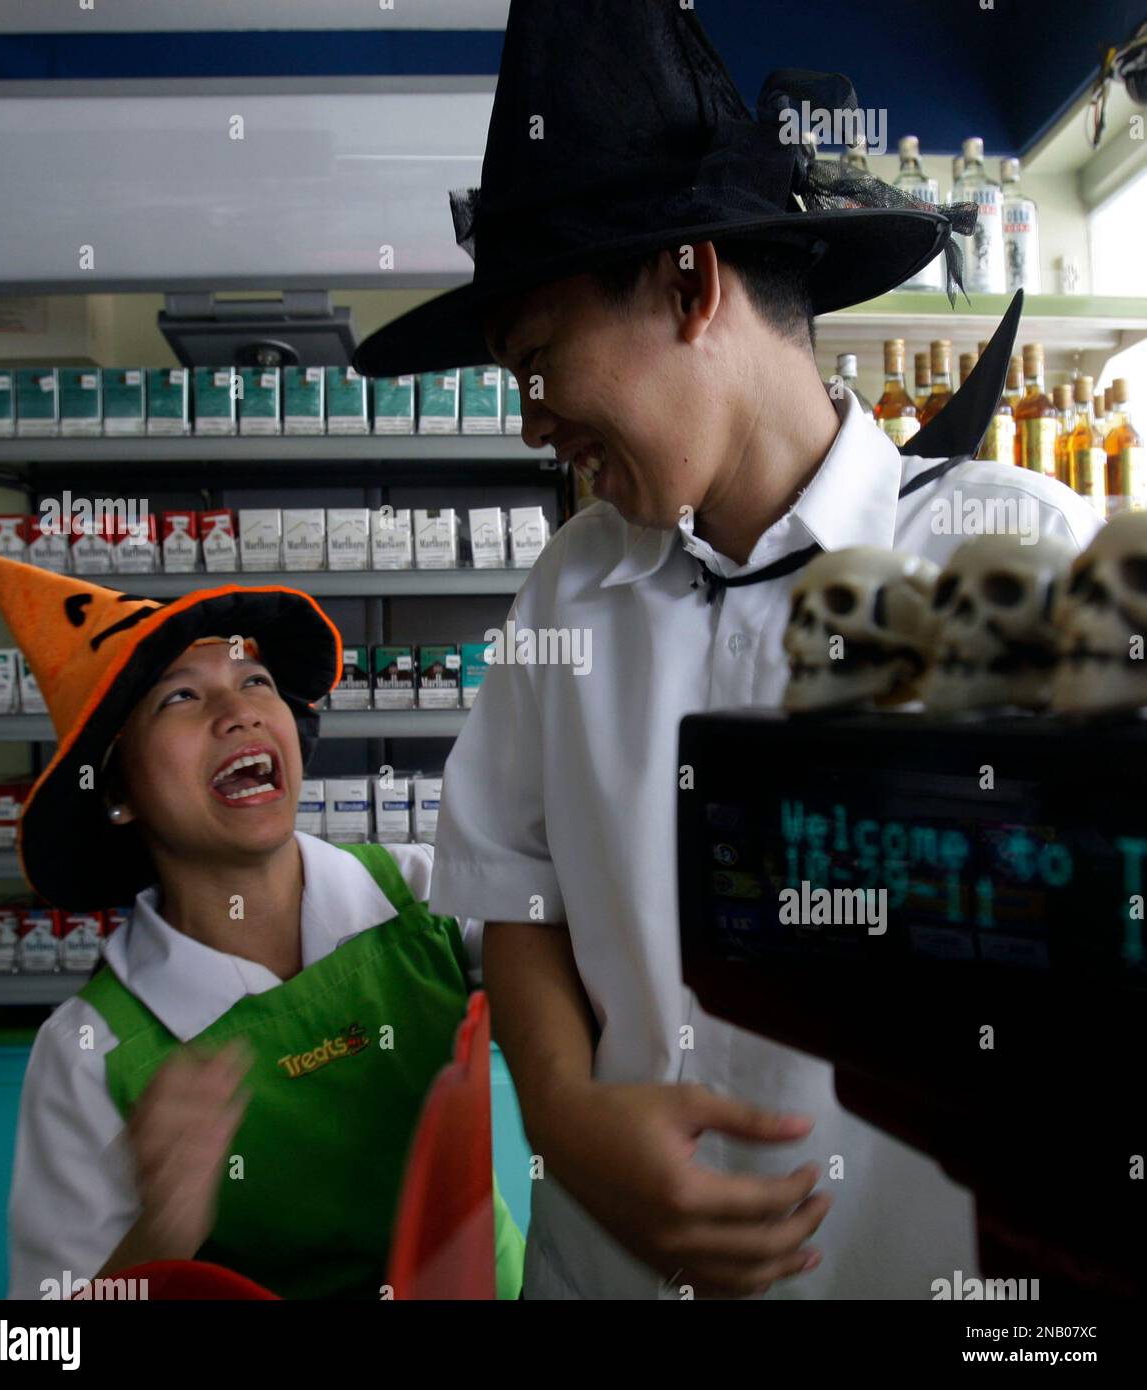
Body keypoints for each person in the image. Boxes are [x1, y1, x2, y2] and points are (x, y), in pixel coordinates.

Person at [351, 0, 1104, 1299]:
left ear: (688, 282)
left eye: (538, 364)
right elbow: (512, 883)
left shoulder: (1024, 565)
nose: (534, 426)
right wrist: (568, 1120)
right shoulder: (572, 587)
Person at [0, 547, 524, 1299]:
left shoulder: (422, 894)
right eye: (179, 699)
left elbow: (586, 986)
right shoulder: (88, 1054)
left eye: (254, 681)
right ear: (118, 793)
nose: (238, 713)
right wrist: (160, 1235)